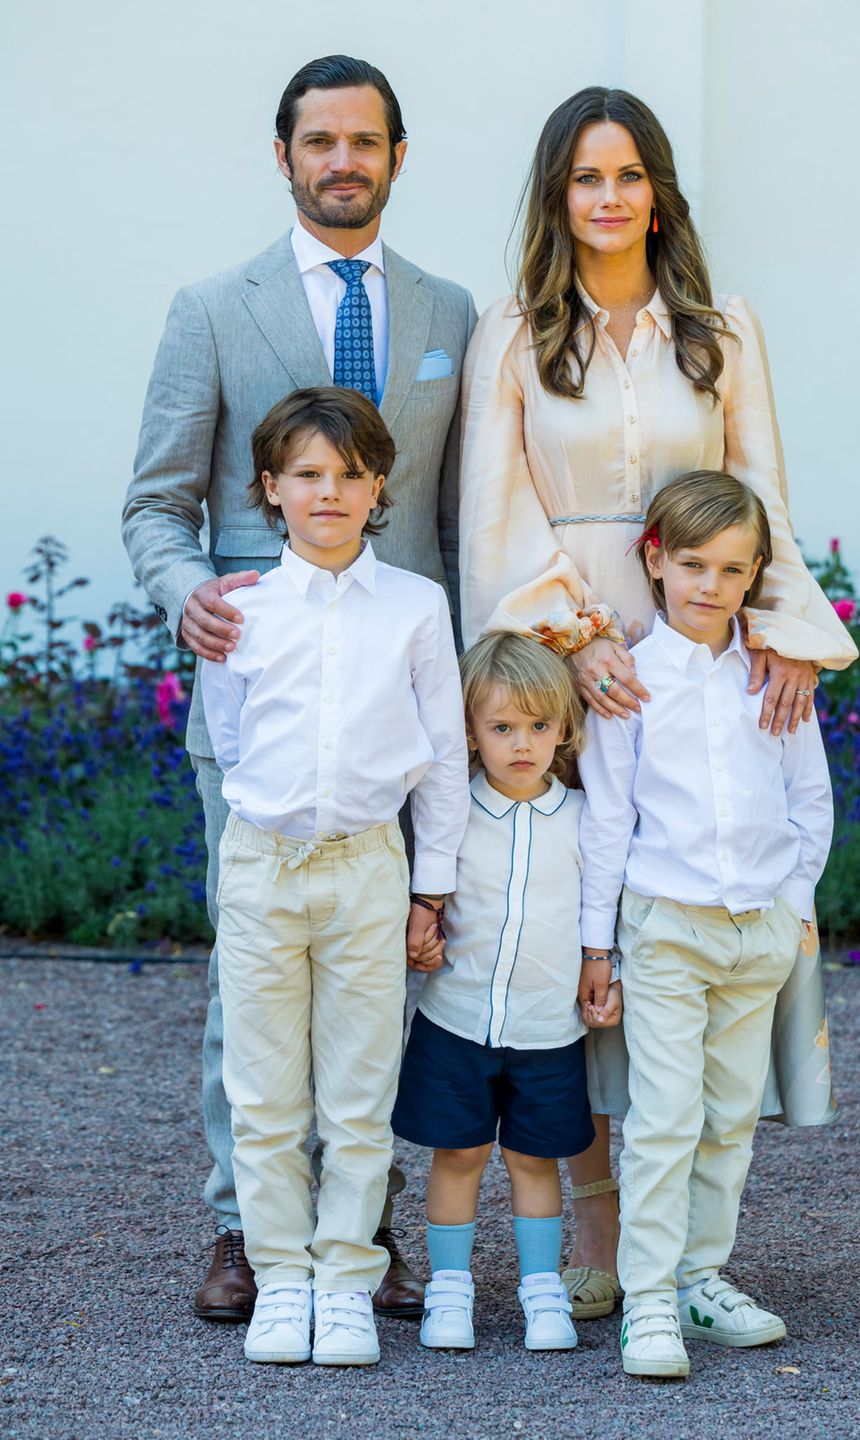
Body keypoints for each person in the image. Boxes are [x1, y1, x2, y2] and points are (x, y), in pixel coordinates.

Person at [458, 85, 856, 1318]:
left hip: (706, 637)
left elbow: (761, 492)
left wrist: (785, 632)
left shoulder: (719, 329)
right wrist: (574, 642)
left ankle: (693, 1256)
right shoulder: (516, 333)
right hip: (583, 661)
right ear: (556, 195)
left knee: (701, 923)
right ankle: (599, 1231)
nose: (610, 197)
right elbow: (494, 513)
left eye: (631, 175)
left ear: (659, 191)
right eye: (586, 177)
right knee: (586, 940)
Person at [122, 54, 476, 1322]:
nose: (343, 162)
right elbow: (157, 502)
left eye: (365, 142)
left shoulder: (448, 313)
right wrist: (188, 595)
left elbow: (454, 515)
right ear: (284, 156)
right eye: (319, 141)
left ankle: (358, 1228)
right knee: (256, 970)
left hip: (396, 687)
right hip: (259, 689)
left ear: (394, 156)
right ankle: (244, 1228)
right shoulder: (213, 307)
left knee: (387, 961)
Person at [199, 386, 469, 1365]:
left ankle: (347, 1273)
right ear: (271, 489)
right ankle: (281, 1277)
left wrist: (429, 890)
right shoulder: (238, 609)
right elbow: (230, 743)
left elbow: (441, 755)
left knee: (358, 1090)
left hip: (366, 869)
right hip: (263, 865)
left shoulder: (413, 606)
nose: (328, 492)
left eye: (349, 475)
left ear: (378, 485)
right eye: (307, 475)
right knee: (265, 1089)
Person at [578, 471, 833, 1378]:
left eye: (731, 569)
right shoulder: (629, 679)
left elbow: (811, 799)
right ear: (655, 560)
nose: (709, 587)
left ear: (756, 572)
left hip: (757, 927)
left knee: (730, 1115)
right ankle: (646, 1299)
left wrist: (794, 906)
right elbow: (607, 817)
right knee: (664, 1115)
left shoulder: (772, 674)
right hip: (666, 927)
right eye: (691, 564)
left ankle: (700, 1276)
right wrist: (596, 944)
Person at [392, 633, 607, 1354]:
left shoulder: (582, 820)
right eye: (502, 727)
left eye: (539, 727)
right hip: (456, 1020)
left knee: (534, 1161)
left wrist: (609, 972)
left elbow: (603, 912)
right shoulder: (449, 815)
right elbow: (427, 897)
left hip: (549, 1029)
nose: (522, 744)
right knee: (456, 1157)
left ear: (564, 730)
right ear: (469, 733)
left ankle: (541, 1293)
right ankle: (449, 1294)